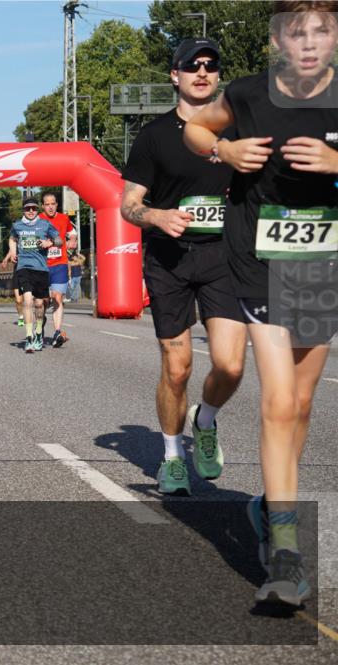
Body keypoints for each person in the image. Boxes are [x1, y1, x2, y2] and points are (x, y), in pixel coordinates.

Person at [185, 0, 338, 607]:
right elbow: (198, 127)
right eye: (295, 32)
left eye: (322, 31)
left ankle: (265, 506)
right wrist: (222, 152)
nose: (308, 43)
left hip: (321, 260)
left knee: (300, 402)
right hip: (260, 256)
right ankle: (286, 558)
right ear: (277, 38)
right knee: (278, 401)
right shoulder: (248, 94)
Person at [121, 36, 247, 498]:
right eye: (191, 65)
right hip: (169, 261)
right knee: (177, 368)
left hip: (223, 258)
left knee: (231, 366)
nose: (202, 72)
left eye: (211, 65)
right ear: (175, 74)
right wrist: (156, 216)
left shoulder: (236, 130)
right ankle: (173, 457)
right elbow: (128, 205)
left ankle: (205, 419)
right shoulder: (154, 136)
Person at [4, 198, 61, 353]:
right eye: (28, 208)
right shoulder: (17, 225)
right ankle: (29, 337)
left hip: (41, 269)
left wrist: (51, 243)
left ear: (38, 210)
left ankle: (38, 333)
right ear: (23, 210)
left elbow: (59, 240)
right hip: (24, 267)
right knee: (27, 301)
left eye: (34, 208)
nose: (31, 211)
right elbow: (11, 238)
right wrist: (14, 251)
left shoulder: (44, 224)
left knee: (39, 304)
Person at [40, 193, 77, 347]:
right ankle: (40, 324)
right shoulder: (37, 220)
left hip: (60, 264)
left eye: (53, 203)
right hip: (41, 265)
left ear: (57, 205)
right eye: (47, 204)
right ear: (43, 206)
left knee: (57, 297)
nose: (50, 206)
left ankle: (57, 332)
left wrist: (73, 240)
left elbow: (72, 232)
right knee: (42, 301)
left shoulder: (64, 218)